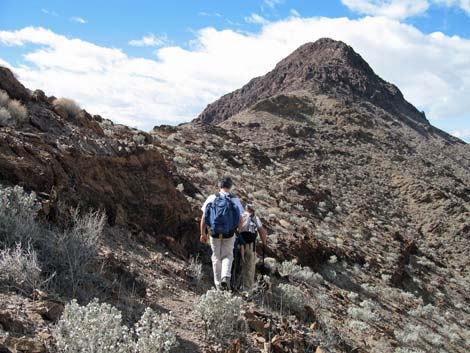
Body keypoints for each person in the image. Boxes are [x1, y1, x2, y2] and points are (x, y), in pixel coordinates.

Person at [200, 177, 244, 290]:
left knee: (216, 257)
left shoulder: (212, 198)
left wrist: (202, 234)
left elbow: (204, 218)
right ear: (230, 187)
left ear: (219, 186)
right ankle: (225, 276)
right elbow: (240, 219)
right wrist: (238, 231)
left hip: (214, 233)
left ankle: (218, 285)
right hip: (229, 233)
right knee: (228, 255)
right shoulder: (234, 200)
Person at [239, 204, 267, 290]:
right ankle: (247, 290)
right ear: (253, 210)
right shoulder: (255, 218)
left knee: (237, 264)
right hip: (251, 245)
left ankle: (234, 286)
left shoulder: (240, 216)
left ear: (246, 209)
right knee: (249, 268)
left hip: (239, 243)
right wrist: (264, 243)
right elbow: (261, 232)